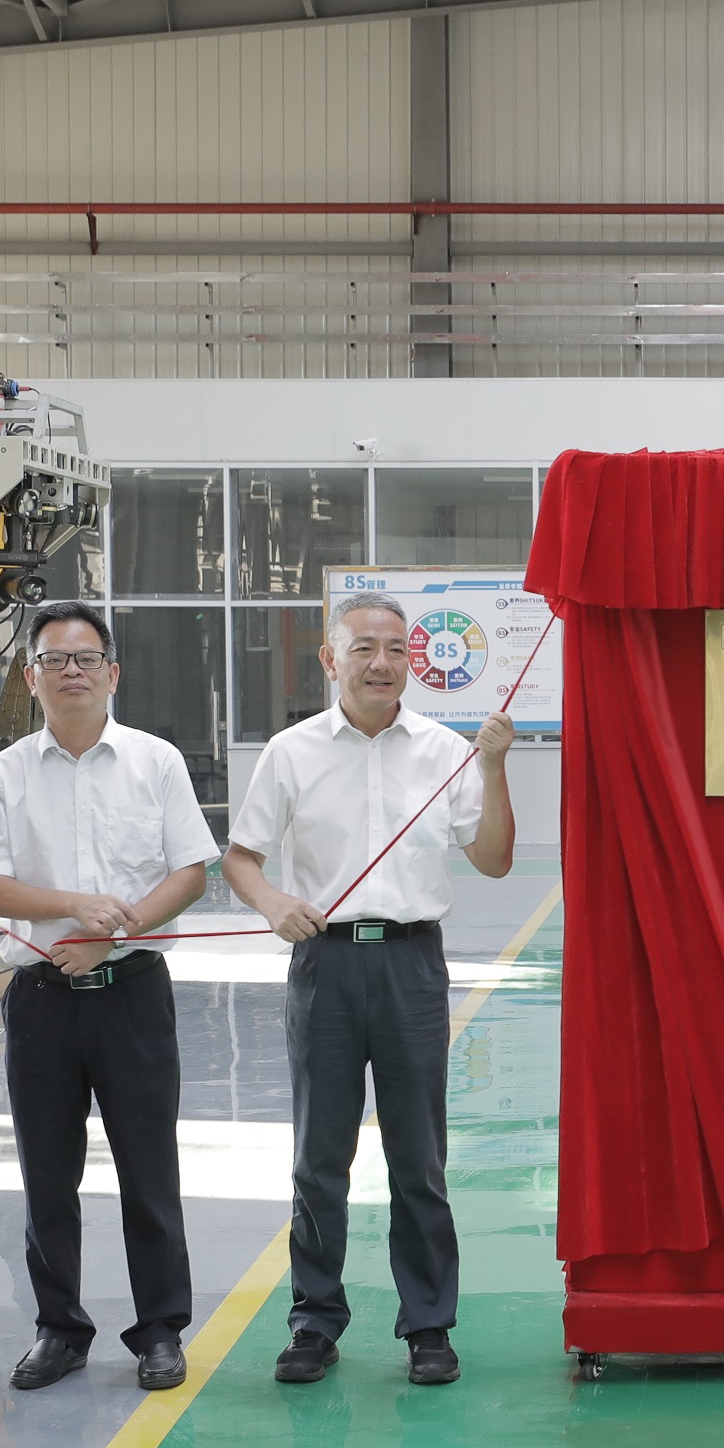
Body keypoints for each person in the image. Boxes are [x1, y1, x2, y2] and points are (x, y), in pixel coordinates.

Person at [224, 593, 515, 1388]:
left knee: (418, 1155)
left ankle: (429, 1324)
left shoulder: (446, 751)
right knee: (320, 1156)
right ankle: (314, 1322)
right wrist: (274, 903)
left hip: (412, 967)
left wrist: (492, 768)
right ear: (331, 659)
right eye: (363, 648)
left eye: (395, 649)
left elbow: (494, 860)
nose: (381, 663)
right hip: (325, 966)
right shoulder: (290, 753)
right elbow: (241, 857)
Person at [0, 602, 222, 1396]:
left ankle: (161, 1330)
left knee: (150, 1170)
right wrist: (77, 908)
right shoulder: (8, 773)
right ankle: (59, 1329)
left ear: (113, 673)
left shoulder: (155, 762)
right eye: (54, 659)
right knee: (48, 1173)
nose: (70, 671)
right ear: (30, 677)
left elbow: (190, 871)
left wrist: (117, 932)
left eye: (85, 658)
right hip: (42, 998)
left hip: (132, 993)